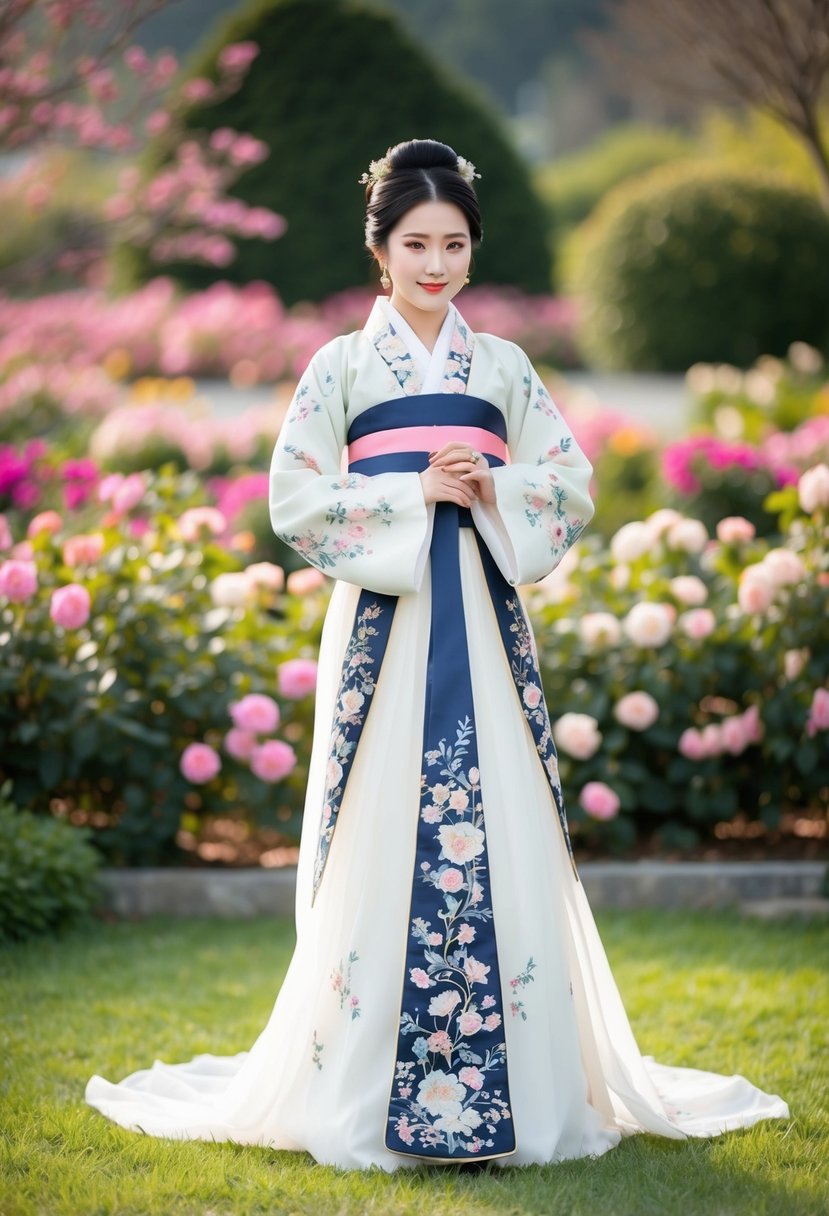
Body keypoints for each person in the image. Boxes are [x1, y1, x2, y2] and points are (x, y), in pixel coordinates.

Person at [86, 138, 789, 1169]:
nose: (435, 263)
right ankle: (365, 1087)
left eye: (454, 243)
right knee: (376, 824)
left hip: (483, 616)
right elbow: (297, 498)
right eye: (415, 242)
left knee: (498, 821)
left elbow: (569, 480)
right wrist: (409, 494)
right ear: (379, 249)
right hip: (387, 618)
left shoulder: (501, 367)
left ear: (472, 249)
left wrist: (495, 486)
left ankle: (521, 1081)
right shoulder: (338, 367)